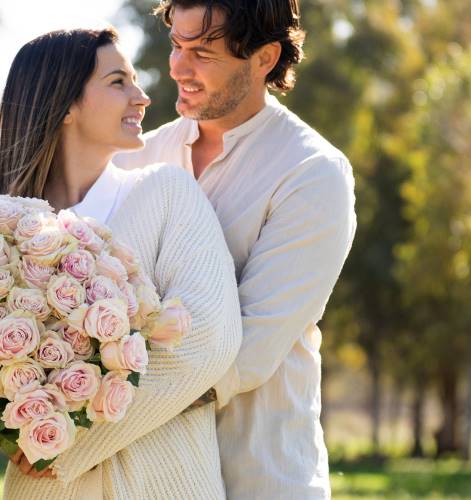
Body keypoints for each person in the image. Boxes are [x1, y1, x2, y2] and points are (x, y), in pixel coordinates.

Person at [0, 27, 242, 500]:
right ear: (64, 106)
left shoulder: (168, 193)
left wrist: (67, 443)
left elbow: (207, 340)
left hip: (160, 482)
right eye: (118, 81)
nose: (141, 97)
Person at [113, 1, 357, 498]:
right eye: (176, 45)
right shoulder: (141, 158)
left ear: (264, 58)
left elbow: (244, 353)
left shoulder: (311, 174)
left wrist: (75, 403)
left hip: (258, 478)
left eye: (202, 52)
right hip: (144, 478)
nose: (178, 67)